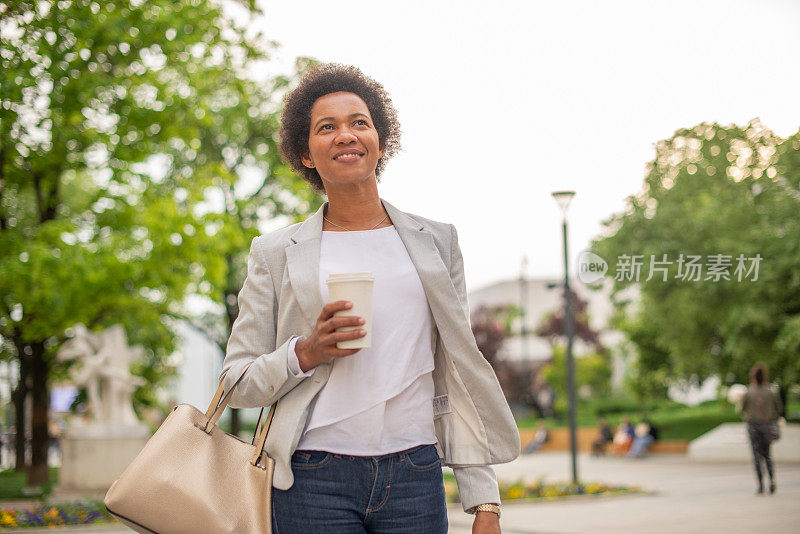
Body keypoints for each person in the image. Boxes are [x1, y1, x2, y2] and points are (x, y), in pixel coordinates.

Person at [218, 63, 520, 534]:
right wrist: (305, 352)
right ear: (305, 154)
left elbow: (457, 369)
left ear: (380, 140)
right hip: (311, 477)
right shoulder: (275, 253)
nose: (346, 135)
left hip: (415, 473)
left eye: (359, 122)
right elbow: (235, 384)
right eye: (327, 127)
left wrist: (485, 501)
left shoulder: (436, 242)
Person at [739, 363, 782, 495]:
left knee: (757, 456)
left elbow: (742, 410)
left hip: (753, 427)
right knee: (768, 455)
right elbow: (779, 409)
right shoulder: (771, 392)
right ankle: (772, 479)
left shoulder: (748, 392)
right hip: (767, 426)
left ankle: (760, 485)